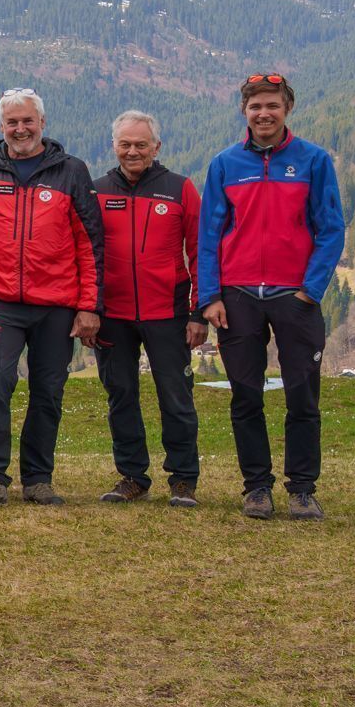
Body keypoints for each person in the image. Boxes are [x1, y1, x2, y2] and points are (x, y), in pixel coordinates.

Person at [198, 73, 344, 520]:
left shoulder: (313, 161)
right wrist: (210, 297)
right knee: (246, 396)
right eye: (256, 106)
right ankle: (256, 488)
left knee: (303, 395)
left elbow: (331, 229)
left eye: (272, 106)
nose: (264, 114)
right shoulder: (225, 164)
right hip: (237, 296)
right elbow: (209, 235)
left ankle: (302, 489)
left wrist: (310, 290)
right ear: (244, 111)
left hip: (294, 296)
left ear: (287, 110)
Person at [0, 87, 103, 509]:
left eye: (28, 121)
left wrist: (90, 305)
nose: (21, 129)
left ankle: (38, 478)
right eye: (12, 122)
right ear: (1, 127)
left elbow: (90, 243)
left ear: (42, 123)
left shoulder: (71, 171)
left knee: (48, 390)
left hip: (56, 304)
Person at [92, 110, 203, 507]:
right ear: (114, 147)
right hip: (113, 315)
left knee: (175, 396)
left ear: (157, 147)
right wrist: (88, 309)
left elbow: (200, 251)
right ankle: (132, 476)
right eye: (125, 144)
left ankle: (183, 479)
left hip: (168, 311)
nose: (133, 151)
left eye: (141, 144)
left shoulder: (179, 189)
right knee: (120, 395)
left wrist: (197, 313)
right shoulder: (97, 190)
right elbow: (85, 255)